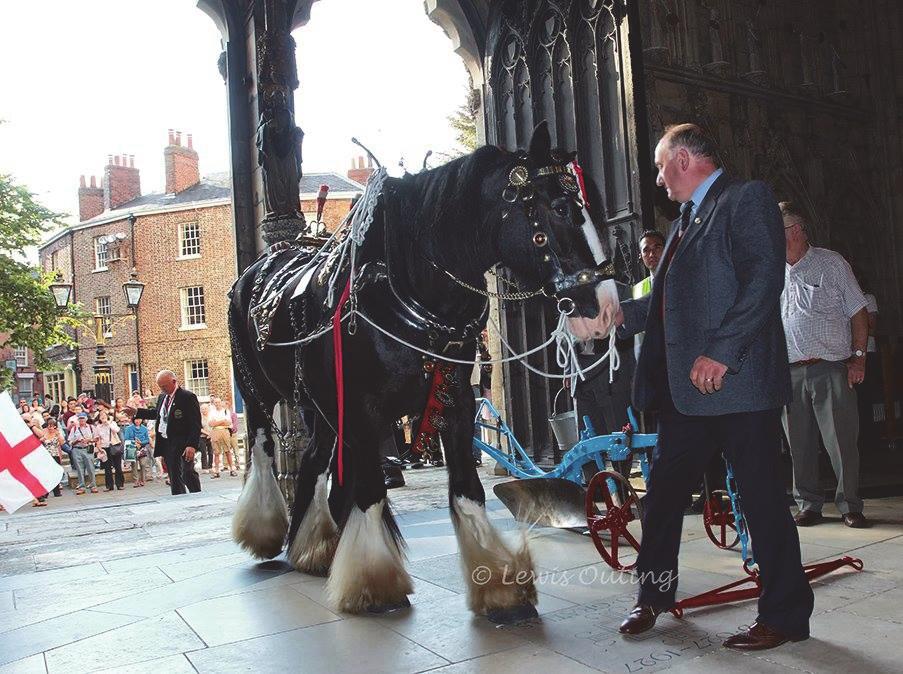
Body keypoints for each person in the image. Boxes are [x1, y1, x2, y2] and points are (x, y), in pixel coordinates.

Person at [614, 123, 812, 650]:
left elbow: (764, 278)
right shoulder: (682, 223)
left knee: (763, 501)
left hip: (740, 386)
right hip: (690, 395)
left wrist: (722, 350)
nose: (659, 180)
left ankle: (785, 615)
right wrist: (612, 316)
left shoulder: (746, 198)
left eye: (660, 167)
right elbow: (663, 303)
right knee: (661, 495)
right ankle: (653, 595)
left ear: (683, 159)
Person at [779, 201, 869, 528]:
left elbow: (858, 311)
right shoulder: (771, 270)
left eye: (781, 231)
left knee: (841, 442)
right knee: (798, 445)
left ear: (798, 231)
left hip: (830, 367)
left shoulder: (831, 264)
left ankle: (850, 505)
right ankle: (809, 503)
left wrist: (858, 359)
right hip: (788, 372)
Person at [127, 370, 201, 495]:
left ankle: (197, 495)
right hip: (168, 442)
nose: (163, 389)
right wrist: (137, 412)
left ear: (174, 381)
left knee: (187, 472)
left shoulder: (187, 397)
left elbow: (195, 423)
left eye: (165, 386)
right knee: (174, 476)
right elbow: (157, 413)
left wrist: (192, 445)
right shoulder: (162, 397)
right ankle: (179, 499)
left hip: (183, 442)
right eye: (160, 386)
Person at [67, 413, 99, 494]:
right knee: (79, 469)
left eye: (83, 419)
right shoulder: (74, 429)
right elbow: (70, 441)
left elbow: (96, 438)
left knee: (91, 468)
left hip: (88, 449)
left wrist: (89, 440)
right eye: (80, 419)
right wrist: (77, 440)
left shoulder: (91, 427)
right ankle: (81, 486)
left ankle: (93, 485)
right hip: (77, 449)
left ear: (86, 419)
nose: (81, 421)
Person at [95, 410, 124, 490]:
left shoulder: (112, 423)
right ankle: (109, 486)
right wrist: (99, 447)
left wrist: (108, 423)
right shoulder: (98, 427)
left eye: (104, 415)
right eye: (101, 415)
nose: (103, 416)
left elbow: (117, 430)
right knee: (107, 468)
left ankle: (120, 484)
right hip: (104, 448)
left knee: (118, 466)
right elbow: (97, 438)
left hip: (114, 446)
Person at [207, 396, 235, 477]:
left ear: (221, 402)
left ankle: (232, 469)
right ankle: (216, 471)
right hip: (215, 431)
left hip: (224, 431)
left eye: (218, 402)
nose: (217, 404)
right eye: (215, 402)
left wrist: (217, 422)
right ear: (213, 403)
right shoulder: (211, 412)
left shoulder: (226, 411)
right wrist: (222, 421)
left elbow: (228, 423)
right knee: (216, 453)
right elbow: (211, 424)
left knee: (228, 451)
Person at [123, 416, 152, 486]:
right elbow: (126, 438)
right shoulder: (128, 428)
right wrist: (135, 443)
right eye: (136, 419)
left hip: (142, 448)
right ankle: (136, 481)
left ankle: (143, 480)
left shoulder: (144, 429)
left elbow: (147, 439)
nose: (137, 421)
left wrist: (140, 443)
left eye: (139, 419)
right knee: (134, 465)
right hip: (132, 447)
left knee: (143, 464)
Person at [40, 419, 66, 498]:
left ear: (55, 426)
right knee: (47, 474)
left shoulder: (57, 433)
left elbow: (62, 443)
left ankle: (56, 491)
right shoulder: (44, 432)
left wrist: (58, 434)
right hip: (46, 455)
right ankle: (46, 492)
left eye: (52, 426)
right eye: (49, 426)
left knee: (55, 473)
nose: (50, 428)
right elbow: (40, 441)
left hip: (55, 454)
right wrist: (44, 437)